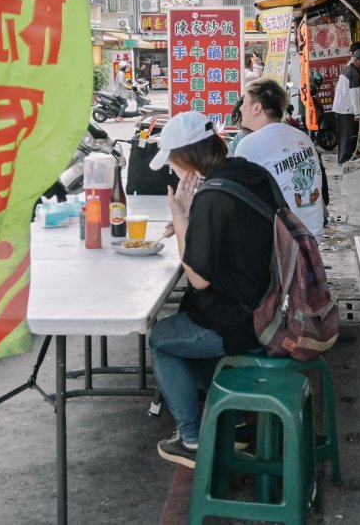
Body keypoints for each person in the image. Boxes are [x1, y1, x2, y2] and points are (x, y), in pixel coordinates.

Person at [147, 110, 283, 468]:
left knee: (162, 337)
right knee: (189, 319)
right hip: (271, 303)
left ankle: (191, 438)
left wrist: (180, 217)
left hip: (243, 321)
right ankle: (235, 421)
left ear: (186, 157)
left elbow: (198, 278)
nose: (172, 170)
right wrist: (192, 218)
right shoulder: (251, 173)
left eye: (172, 162)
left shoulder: (212, 196)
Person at [235, 78, 325, 241]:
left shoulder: (248, 144)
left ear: (257, 107)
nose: (240, 107)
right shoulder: (302, 137)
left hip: (283, 244)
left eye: (244, 102)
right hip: (312, 237)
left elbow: (236, 201)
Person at [332, 48, 360, 164]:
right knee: (346, 135)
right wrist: (357, 114)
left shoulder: (349, 69)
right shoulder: (354, 74)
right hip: (345, 109)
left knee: (346, 134)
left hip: (342, 107)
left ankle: (348, 155)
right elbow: (355, 96)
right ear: (358, 61)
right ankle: (343, 159)